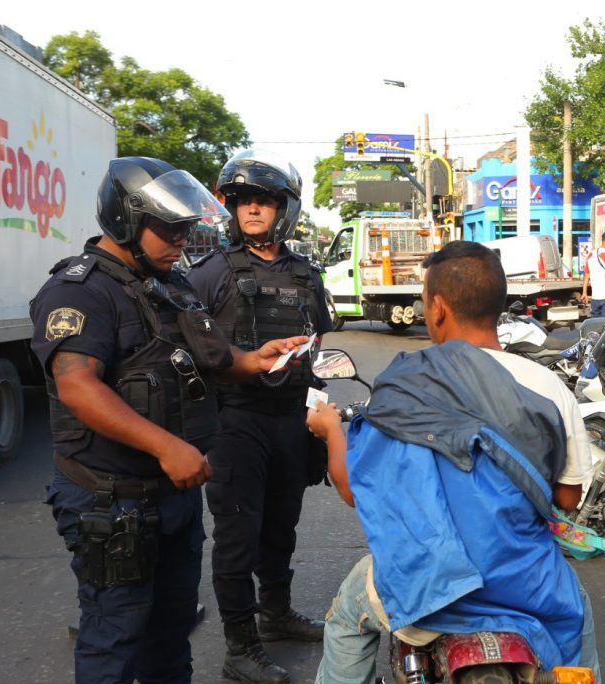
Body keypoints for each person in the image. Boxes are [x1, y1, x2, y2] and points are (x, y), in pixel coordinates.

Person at [31, 156, 309, 684]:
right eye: (170, 226)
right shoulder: (81, 290)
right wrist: (166, 446)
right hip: (112, 501)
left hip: (172, 498)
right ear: (125, 218)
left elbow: (220, 360)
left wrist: (262, 357)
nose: (183, 237)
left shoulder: (170, 285)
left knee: (171, 632)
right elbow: (77, 384)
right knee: (115, 636)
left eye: (186, 226)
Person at [307, 241, 599, 684]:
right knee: (580, 624)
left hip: (422, 586)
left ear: (438, 308)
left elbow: (352, 491)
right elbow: (567, 496)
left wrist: (331, 431)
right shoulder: (548, 387)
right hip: (527, 584)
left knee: (348, 618)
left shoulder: (404, 385)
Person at [187, 149, 333, 684]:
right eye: (243, 200)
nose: (252, 209)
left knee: (280, 526)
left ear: (284, 209)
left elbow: (320, 339)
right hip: (235, 421)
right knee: (237, 534)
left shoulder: (306, 275)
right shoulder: (209, 274)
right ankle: (240, 647)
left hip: (290, 417)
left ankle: (275, 614)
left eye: (264, 201)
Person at [580, 229, 605, 317]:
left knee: (595, 324)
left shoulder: (591, 254)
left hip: (595, 296)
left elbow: (586, 274)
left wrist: (584, 293)